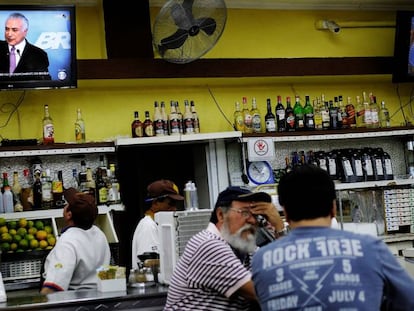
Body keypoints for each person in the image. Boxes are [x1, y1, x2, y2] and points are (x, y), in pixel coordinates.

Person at [252, 164, 414, 311]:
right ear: (333, 208)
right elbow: (409, 301)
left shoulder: (261, 260)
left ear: (285, 212)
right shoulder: (371, 248)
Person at [164, 186, 284, 311]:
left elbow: (288, 272)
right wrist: (279, 226)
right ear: (221, 215)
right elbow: (268, 294)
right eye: (245, 213)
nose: (253, 220)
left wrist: (278, 229)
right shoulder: (209, 245)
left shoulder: (246, 249)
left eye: (256, 215)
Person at [40, 188, 111, 294]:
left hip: (74, 300)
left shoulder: (68, 241)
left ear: (69, 214)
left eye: (66, 204)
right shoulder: (100, 234)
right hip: (97, 297)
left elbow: (53, 287)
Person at [131, 179, 184, 270]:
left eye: (175, 203)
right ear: (155, 202)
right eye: (171, 203)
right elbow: (149, 264)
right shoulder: (148, 226)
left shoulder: (160, 225)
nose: (174, 208)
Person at [0, 12, 51, 80]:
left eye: (14, 30)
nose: (9, 34)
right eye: (7, 29)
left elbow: (44, 83)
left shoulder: (39, 55)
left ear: (25, 31)